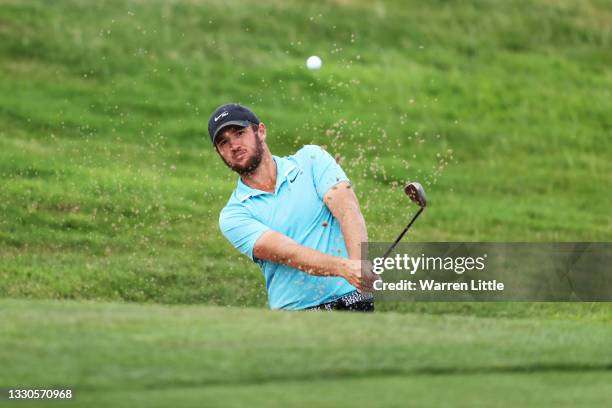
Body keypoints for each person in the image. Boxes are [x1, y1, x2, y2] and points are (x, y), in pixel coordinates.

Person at [209, 103, 374, 311]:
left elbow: (347, 208)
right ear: (219, 153)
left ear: (261, 131)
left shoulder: (311, 159)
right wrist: (346, 268)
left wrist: (359, 269)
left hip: (352, 298)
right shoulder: (234, 215)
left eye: (240, 133)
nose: (234, 145)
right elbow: (289, 253)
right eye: (224, 142)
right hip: (297, 315)